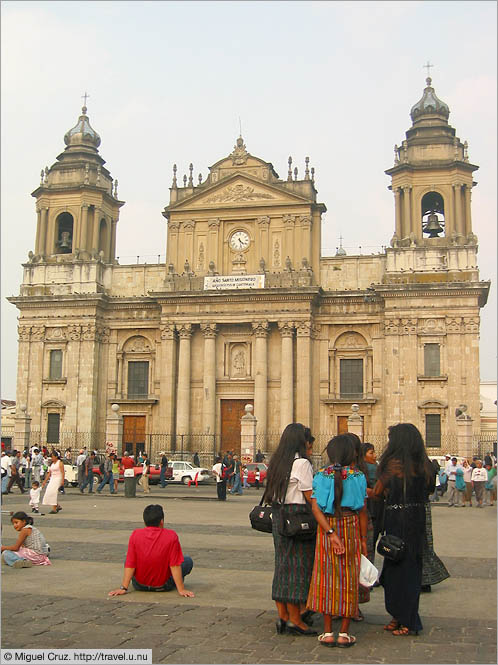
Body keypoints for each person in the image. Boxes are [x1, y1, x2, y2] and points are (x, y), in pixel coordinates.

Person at [371, 423, 433, 636]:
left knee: (394, 568)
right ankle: (402, 616)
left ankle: (405, 619)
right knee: (411, 570)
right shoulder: (424, 465)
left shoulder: (393, 465)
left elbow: (378, 492)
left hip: (397, 520)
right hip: (416, 521)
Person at [307, 433, 367, 648]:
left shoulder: (321, 475)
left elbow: (315, 508)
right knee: (349, 579)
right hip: (350, 528)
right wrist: (362, 540)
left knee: (325, 579)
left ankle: (327, 632)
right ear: (352, 453)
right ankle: (344, 633)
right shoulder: (358, 476)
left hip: (327, 530)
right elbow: (362, 511)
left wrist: (331, 533)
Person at [263, 423, 319, 637]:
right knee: (298, 569)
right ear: (300, 441)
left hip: (279, 516)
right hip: (297, 518)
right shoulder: (302, 463)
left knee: (282, 567)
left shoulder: (277, 461)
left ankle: (283, 616)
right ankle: (296, 620)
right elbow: (309, 495)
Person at [108, 504, 194, 596]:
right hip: (163, 585)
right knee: (187, 561)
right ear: (161, 521)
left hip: (140, 585)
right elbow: (175, 565)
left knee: (128, 559)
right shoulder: (171, 536)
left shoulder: (135, 534)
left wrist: (123, 587)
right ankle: (176, 583)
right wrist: (181, 589)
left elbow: (130, 563)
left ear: (145, 522)